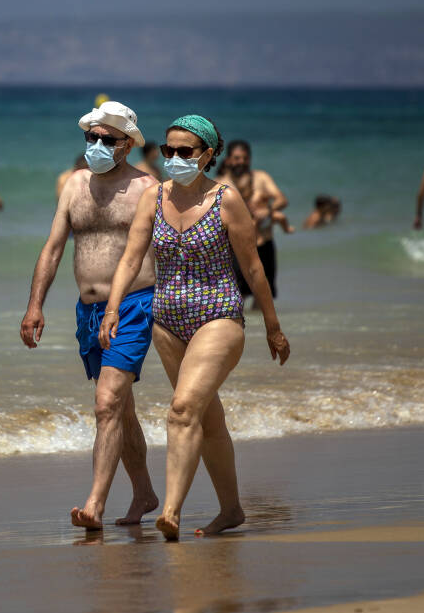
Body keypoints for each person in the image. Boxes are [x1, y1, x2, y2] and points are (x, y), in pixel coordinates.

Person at [101, 115, 290, 541]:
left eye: (184, 151)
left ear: (206, 154)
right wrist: (113, 308)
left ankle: (170, 511)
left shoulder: (227, 199)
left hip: (219, 316)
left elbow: (253, 268)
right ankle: (232, 510)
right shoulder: (153, 196)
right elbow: (131, 259)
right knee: (207, 418)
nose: (174, 158)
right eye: (168, 151)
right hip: (166, 321)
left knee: (183, 410)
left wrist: (273, 327)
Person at [20, 101, 160, 531]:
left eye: (107, 140)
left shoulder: (146, 188)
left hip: (134, 306)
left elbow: (162, 251)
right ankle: (144, 493)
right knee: (120, 408)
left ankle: (95, 504)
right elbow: (54, 247)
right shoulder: (75, 185)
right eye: (91, 138)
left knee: (105, 404)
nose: (97, 146)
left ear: (127, 144)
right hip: (88, 311)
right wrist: (35, 304)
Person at [217, 140, 288, 300]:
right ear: (228, 160)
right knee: (237, 296)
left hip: (264, 245)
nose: (241, 162)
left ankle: (260, 325)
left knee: (265, 296)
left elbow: (281, 200)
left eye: (244, 158)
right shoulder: (221, 184)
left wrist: (267, 211)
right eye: (237, 158)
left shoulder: (261, 178)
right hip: (236, 248)